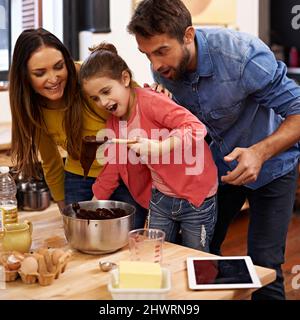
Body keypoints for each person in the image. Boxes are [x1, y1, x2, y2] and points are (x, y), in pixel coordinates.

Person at [127, 0, 300, 299]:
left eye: (161, 51)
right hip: (216, 172)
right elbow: (187, 126)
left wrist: (259, 152)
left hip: (273, 167)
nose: (155, 65)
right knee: (200, 255)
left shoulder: (242, 56)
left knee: (265, 266)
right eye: (147, 54)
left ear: (188, 35)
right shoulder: (163, 70)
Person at [79, 42, 218, 251]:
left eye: (106, 91)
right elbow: (112, 169)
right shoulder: (115, 123)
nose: (103, 102)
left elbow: (195, 127)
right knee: (153, 254)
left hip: (195, 196)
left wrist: (160, 148)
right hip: (161, 197)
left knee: (194, 258)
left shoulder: (152, 102)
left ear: (125, 79)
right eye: (95, 98)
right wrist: (92, 207)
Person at [9, 28, 147, 228]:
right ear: (25, 77)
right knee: (82, 238)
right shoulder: (32, 107)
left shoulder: (89, 79)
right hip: (78, 178)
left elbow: (135, 95)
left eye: (59, 66)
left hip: (124, 175)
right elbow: (51, 162)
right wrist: (63, 207)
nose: (53, 78)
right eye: (40, 73)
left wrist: (160, 95)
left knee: (126, 239)